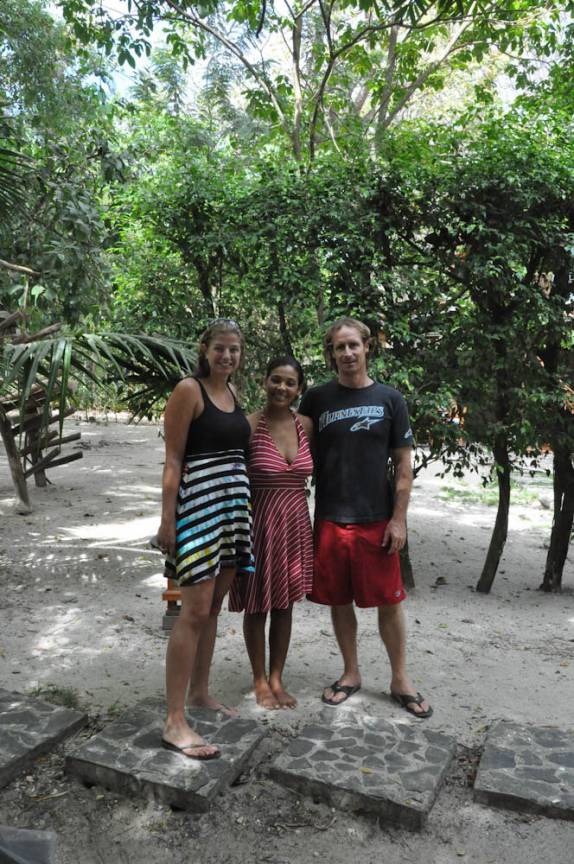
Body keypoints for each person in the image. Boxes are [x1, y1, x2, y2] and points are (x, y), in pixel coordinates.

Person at [299, 317, 432, 718]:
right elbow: (291, 444)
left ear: (367, 346)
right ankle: (351, 672)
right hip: (330, 518)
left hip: (377, 518)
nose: (347, 353)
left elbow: (403, 466)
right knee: (339, 601)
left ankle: (399, 679)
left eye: (353, 345)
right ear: (331, 354)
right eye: (339, 347)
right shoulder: (317, 400)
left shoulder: (391, 399)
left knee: (389, 603)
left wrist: (399, 518)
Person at [155, 318, 253, 760]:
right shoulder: (188, 390)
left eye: (234, 350)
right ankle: (174, 722)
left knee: (213, 609)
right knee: (191, 612)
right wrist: (167, 522)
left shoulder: (233, 394)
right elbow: (173, 459)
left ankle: (200, 693)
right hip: (198, 512)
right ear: (204, 348)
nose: (227, 356)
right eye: (220, 348)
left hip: (232, 513)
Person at [229, 357, 313, 709]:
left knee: (284, 605)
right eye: (275, 380)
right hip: (259, 523)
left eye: (289, 383)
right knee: (257, 605)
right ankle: (259, 680)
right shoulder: (248, 426)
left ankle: (277, 677)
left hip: (295, 524)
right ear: (265, 382)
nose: (282, 388)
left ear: (299, 389)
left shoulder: (307, 425)